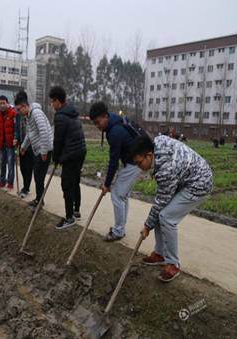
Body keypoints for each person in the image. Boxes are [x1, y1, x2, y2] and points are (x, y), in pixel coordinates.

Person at [129, 135, 213, 282]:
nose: (138, 167)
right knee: (159, 211)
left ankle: (173, 263)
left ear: (149, 155)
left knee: (167, 217)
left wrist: (147, 226)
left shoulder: (165, 170)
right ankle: (160, 254)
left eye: (138, 162)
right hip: (187, 178)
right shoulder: (156, 144)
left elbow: (161, 201)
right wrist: (149, 223)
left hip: (199, 184)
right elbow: (160, 202)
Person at [89, 102, 142, 242]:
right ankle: (120, 228)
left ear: (105, 116)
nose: (97, 126)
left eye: (97, 122)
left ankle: (118, 231)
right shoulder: (114, 122)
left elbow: (113, 162)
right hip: (133, 161)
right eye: (94, 124)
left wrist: (107, 184)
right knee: (123, 196)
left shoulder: (114, 132)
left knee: (117, 195)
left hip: (134, 163)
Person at [50, 86, 87, 230]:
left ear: (58, 101)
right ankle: (76, 211)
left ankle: (69, 217)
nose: (52, 105)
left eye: (52, 102)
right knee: (75, 182)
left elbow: (58, 140)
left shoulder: (60, 116)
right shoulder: (71, 111)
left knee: (67, 185)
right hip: (80, 152)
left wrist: (55, 158)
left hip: (71, 155)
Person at [15, 91, 53, 212]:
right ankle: (38, 199)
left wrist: (43, 152)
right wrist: (23, 147)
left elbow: (44, 133)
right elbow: (30, 134)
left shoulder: (36, 113)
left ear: (25, 106)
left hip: (45, 149)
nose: (18, 112)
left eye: (19, 109)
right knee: (37, 175)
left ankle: (40, 202)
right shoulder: (28, 116)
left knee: (39, 176)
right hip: (38, 150)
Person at [0, 95, 17, 191]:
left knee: (11, 163)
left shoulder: (13, 113)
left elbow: (16, 129)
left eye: (4, 103)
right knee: (2, 162)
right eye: (0, 103)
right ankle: (2, 181)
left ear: (7, 103)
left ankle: (10, 183)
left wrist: (16, 141)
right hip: (1, 143)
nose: (2, 105)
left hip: (10, 143)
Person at [13, 96, 34, 199]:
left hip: (30, 147)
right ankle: (25, 187)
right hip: (21, 145)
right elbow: (17, 128)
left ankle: (26, 188)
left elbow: (31, 133)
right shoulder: (18, 115)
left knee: (28, 168)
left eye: (19, 109)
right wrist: (16, 138)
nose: (18, 111)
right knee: (22, 168)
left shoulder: (30, 115)